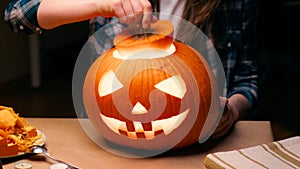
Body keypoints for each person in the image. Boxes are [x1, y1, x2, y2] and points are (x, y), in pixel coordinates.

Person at [4, 0, 259, 140]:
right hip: (109, 139)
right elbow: (18, 15)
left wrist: (231, 110)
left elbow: (247, 80)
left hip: (202, 141)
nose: (141, 108)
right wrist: (97, 4)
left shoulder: (233, 4)